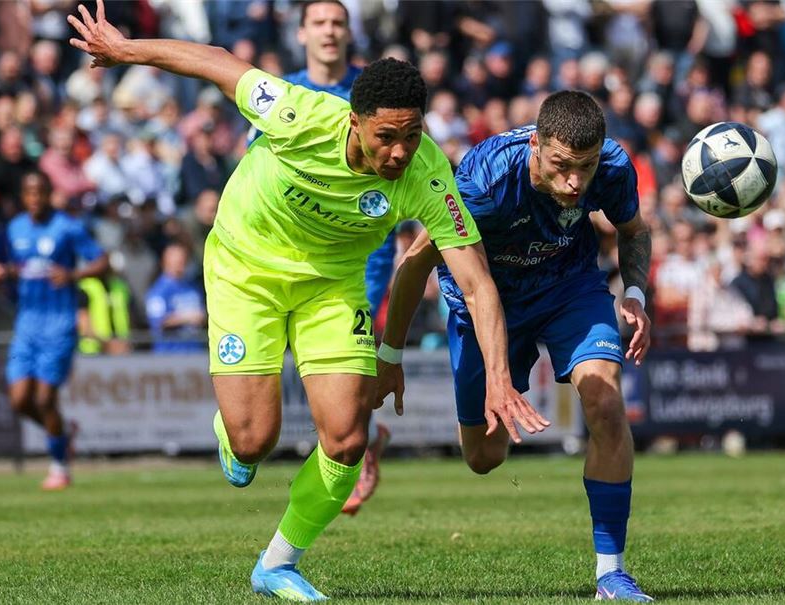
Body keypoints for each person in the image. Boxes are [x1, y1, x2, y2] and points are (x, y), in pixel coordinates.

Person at [69, 2, 547, 600]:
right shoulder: (300, 114)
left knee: (348, 438)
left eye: (413, 135)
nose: (400, 152)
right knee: (253, 441)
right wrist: (126, 49)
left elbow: (476, 283)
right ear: (354, 122)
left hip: (332, 284)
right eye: (387, 137)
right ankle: (233, 431)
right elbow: (218, 61)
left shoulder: (428, 174)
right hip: (247, 269)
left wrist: (499, 379)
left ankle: (277, 564)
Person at [377, 92, 654, 602]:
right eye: (562, 167)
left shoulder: (611, 164)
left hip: (568, 289)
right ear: (536, 145)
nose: (575, 182)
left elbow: (634, 231)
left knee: (606, 403)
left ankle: (612, 575)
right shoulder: (485, 181)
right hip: (486, 302)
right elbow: (416, 262)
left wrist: (634, 294)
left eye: (585, 168)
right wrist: (391, 356)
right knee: (484, 457)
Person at [246, 0, 391, 516]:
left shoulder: (372, 91)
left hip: (359, 258)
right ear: (301, 32)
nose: (329, 31)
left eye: (338, 23)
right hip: (287, 255)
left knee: (342, 374)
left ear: (349, 33)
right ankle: (355, 442)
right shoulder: (284, 91)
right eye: (320, 23)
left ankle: (352, 448)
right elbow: (257, 166)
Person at [0, 170, 108, 489]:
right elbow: (17, 268)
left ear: (49, 193)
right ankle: (63, 434)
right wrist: (2, 273)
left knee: (43, 399)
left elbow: (102, 261)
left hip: (59, 324)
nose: (34, 199)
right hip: (26, 324)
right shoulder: (15, 229)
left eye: (40, 192)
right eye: (29, 193)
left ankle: (59, 466)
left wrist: (72, 276)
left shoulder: (68, 227)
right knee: (18, 401)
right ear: (23, 196)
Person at [145, 242, 206, 353]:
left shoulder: (193, 287)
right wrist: (186, 318)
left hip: (195, 351)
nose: (181, 264)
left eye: (183, 260)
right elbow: (158, 323)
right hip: (170, 354)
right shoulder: (159, 291)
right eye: (177, 261)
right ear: (166, 262)